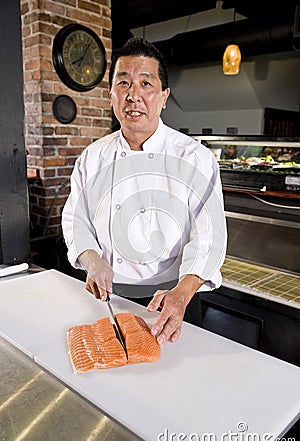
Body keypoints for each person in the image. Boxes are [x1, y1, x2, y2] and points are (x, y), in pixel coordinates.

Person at [62, 37, 227, 346]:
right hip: (107, 296)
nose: (133, 95)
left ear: (164, 97)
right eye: (123, 83)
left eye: (146, 84)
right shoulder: (92, 157)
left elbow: (209, 238)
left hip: (172, 300)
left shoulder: (193, 158)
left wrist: (181, 294)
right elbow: (75, 218)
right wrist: (91, 260)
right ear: (111, 95)